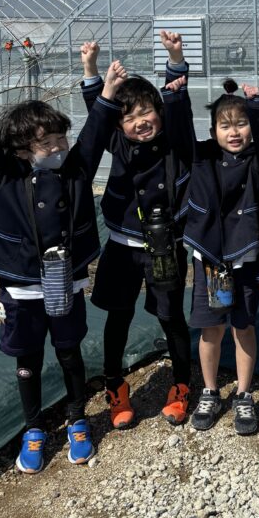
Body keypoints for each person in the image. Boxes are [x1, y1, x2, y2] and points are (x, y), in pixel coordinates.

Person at [0, 61, 126, 474]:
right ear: (23, 149)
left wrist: (109, 90)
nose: (58, 147)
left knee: (69, 351)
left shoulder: (76, 171)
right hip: (21, 287)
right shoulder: (3, 176)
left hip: (66, 282)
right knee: (27, 358)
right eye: (47, 143)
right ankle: (34, 427)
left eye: (61, 138)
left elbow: (95, 135)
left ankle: (77, 419)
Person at [164, 65, 259, 435]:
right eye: (225, 125)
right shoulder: (202, 157)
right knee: (210, 329)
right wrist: (176, 96)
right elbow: (178, 134)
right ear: (213, 130)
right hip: (211, 261)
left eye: (241, 124)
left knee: (243, 327)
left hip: (245, 257)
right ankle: (211, 390)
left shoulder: (258, 160)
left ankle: (244, 395)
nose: (234, 132)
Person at [80, 34, 191, 429]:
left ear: (158, 112)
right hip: (122, 245)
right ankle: (115, 385)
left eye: (146, 112)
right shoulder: (119, 144)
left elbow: (178, 103)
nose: (140, 122)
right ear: (120, 125)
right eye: (129, 118)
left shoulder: (175, 143)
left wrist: (175, 59)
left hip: (166, 247)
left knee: (171, 317)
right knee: (118, 315)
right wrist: (91, 69)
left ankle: (181, 384)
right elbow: (98, 112)